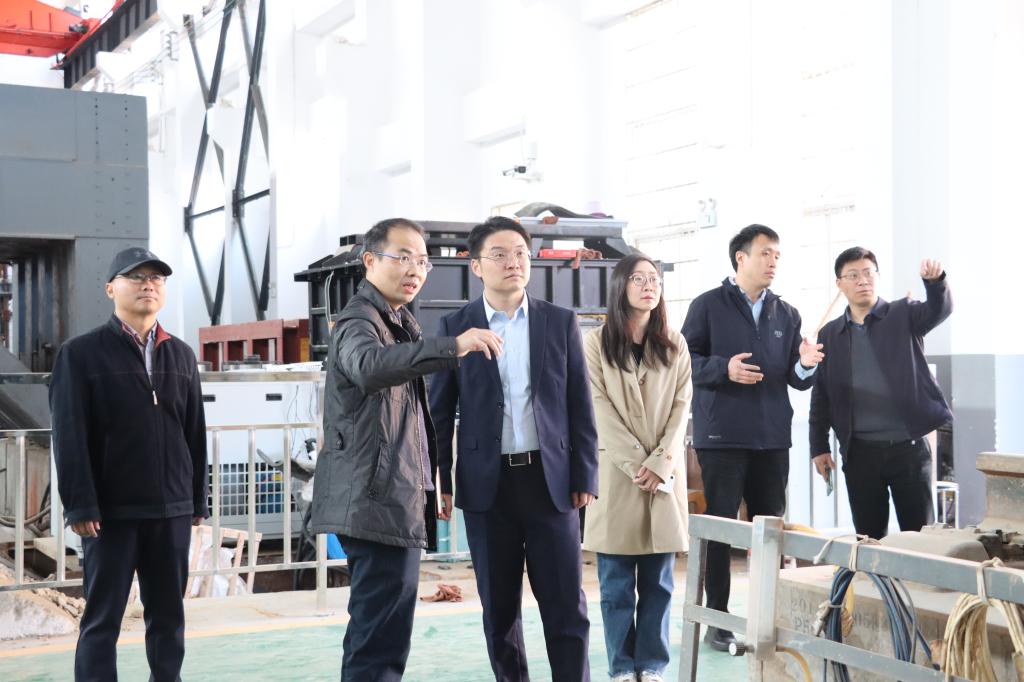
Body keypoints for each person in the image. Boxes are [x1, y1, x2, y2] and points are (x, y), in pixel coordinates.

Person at [311, 218, 501, 681]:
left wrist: (426, 487)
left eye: (423, 261)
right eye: (403, 257)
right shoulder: (359, 321)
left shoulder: (399, 323)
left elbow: (405, 426)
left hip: (392, 499)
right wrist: (452, 347)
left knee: (387, 630)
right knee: (378, 634)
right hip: (373, 501)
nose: (415, 269)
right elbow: (369, 367)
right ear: (369, 261)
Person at [429, 216, 599, 682]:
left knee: (566, 605)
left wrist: (585, 473)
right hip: (488, 487)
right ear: (476, 265)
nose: (513, 263)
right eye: (500, 254)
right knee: (499, 609)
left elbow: (580, 404)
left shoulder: (559, 322)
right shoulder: (455, 327)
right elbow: (439, 413)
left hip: (551, 483)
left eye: (521, 253)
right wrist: (441, 479)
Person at [49, 247, 208, 682]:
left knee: (168, 618)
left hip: (171, 510)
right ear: (110, 289)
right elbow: (69, 435)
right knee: (103, 620)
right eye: (136, 277)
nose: (148, 285)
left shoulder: (181, 355)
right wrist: (80, 504)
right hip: (110, 513)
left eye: (156, 278)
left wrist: (197, 499)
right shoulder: (80, 354)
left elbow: (194, 432)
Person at [681, 224, 823, 653]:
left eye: (777, 254)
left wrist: (806, 363)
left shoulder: (787, 313)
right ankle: (717, 620)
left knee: (770, 532)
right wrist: (723, 369)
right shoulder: (708, 306)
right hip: (722, 437)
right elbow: (683, 361)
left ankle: (768, 616)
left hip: (772, 438)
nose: (773, 261)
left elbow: (796, 380)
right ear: (740, 257)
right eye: (765, 253)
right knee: (722, 529)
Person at [582, 255, 693, 682]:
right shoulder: (595, 343)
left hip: (663, 475)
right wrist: (636, 463)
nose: (649, 286)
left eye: (655, 279)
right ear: (619, 286)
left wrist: (661, 462)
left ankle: (651, 664)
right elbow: (597, 407)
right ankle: (622, 668)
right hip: (617, 474)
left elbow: (682, 406)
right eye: (638, 279)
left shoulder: (674, 343)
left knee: (659, 582)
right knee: (615, 584)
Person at [809, 248, 952, 540]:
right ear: (840, 284)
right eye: (853, 275)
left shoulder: (903, 313)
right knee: (868, 538)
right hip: (860, 453)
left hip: (908, 449)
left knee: (920, 536)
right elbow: (821, 395)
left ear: (877, 276)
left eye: (868, 273)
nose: (862, 280)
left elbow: (939, 310)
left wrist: (935, 283)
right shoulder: (830, 335)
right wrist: (818, 446)